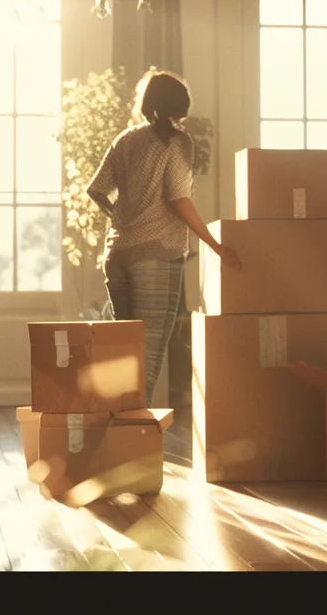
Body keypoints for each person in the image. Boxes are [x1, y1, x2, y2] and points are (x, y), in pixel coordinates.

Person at [87, 70, 240, 404]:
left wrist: (123, 219)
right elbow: (178, 199)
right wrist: (214, 246)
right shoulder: (178, 141)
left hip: (116, 256)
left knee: (123, 351)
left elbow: (95, 190)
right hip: (154, 258)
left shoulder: (126, 139)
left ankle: (114, 436)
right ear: (179, 103)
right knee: (149, 350)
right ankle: (132, 437)